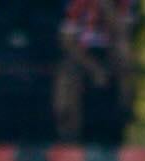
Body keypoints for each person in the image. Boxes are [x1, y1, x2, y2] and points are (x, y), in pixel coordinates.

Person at [54, 0, 137, 143]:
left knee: (125, 54)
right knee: (67, 71)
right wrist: (94, 68)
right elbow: (67, 41)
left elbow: (122, 34)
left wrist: (107, 8)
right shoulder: (78, 3)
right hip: (84, 54)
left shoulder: (124, 3)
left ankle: (124, 112)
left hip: (111, 52)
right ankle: (70, 132)